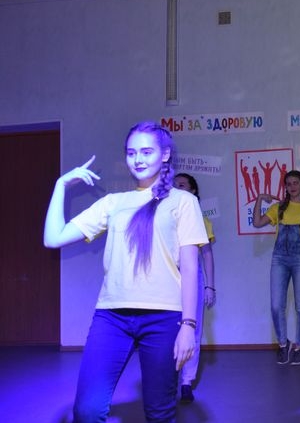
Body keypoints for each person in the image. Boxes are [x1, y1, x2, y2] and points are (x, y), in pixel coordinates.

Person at [43, 121, 207, 423]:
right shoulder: (113, 203)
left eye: (146, 152)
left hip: (164, 318)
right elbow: (53, 238)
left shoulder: (184, 202)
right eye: (131, 153)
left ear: (165, 155)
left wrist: (188, 325)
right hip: (111, 317)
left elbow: (190, 266)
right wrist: (60, 186)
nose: (138, 159)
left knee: (159, 413)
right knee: (88, 411)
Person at [253, 170, 300, 366]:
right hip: (280, 259)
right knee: (276, 305)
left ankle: (299, 347)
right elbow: (257, 223)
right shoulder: (278, 208)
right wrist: (259, 199)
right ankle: (283, 344)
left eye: (295, 183)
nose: (292, 187)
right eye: (289, 184)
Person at [173, 173, 217, 403]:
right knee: (166, 330)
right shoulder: (162, 215)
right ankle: (167, 378)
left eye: (181, 185)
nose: (176, 188)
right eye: (174, 185)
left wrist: (210, 286)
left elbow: (207, 254)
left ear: (192, 192)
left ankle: (186, 381)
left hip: (192, 280)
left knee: (192, 329)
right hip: (166, 281)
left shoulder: (200, 219)